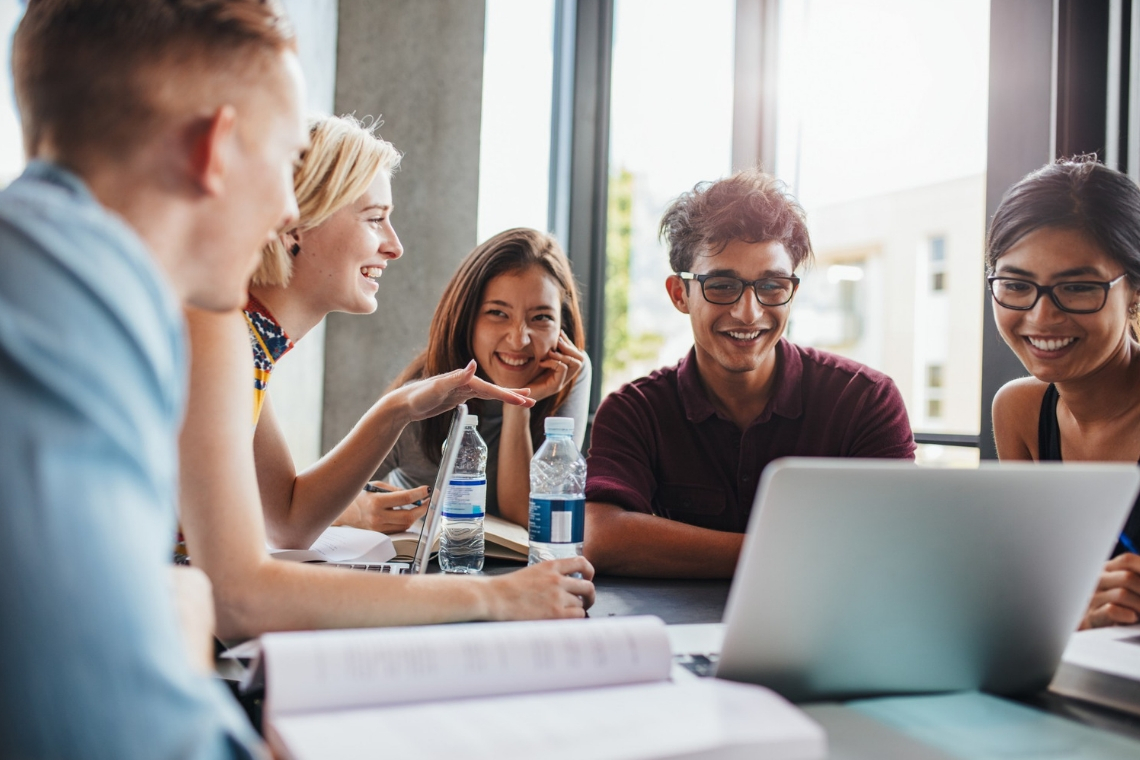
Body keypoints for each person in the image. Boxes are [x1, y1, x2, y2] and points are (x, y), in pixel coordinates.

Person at [0, 0, 310, 757]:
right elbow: (112, 731)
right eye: (289, 160)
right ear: (217, 149)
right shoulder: (73, 303)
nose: (290, 208)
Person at [179, 115, 595, 640]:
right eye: (375, 218)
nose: (394, 246)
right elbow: (241, 597)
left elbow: (288, 519)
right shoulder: (217, 337)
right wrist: (494, 595)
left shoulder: (249, 347)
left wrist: (398, 409)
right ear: (294, 224)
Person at [584, 169, 916, 579]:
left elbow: (892, 546)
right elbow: (601, 535)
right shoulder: (635, 411)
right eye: (722, 285)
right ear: (678, 294)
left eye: (772, 286)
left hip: (821, 637)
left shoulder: (865, 400)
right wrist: (797, 556)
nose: (749, 312)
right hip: (675, 635)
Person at [989, 157, 1140, 630]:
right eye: (1016, 285)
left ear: (1135, 291)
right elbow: (1029, 589)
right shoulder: (1019, 410)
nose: (1040, 317)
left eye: (1076, 287)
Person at [375, 227, 590, 528]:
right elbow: (328, 498)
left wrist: (517, 403)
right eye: (498, 313)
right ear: (467, 319)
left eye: (541, 317)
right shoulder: (420, 398)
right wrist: (358, 511)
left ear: (562, 326)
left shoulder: (568, 371)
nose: (519, 340)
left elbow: (529, 517)